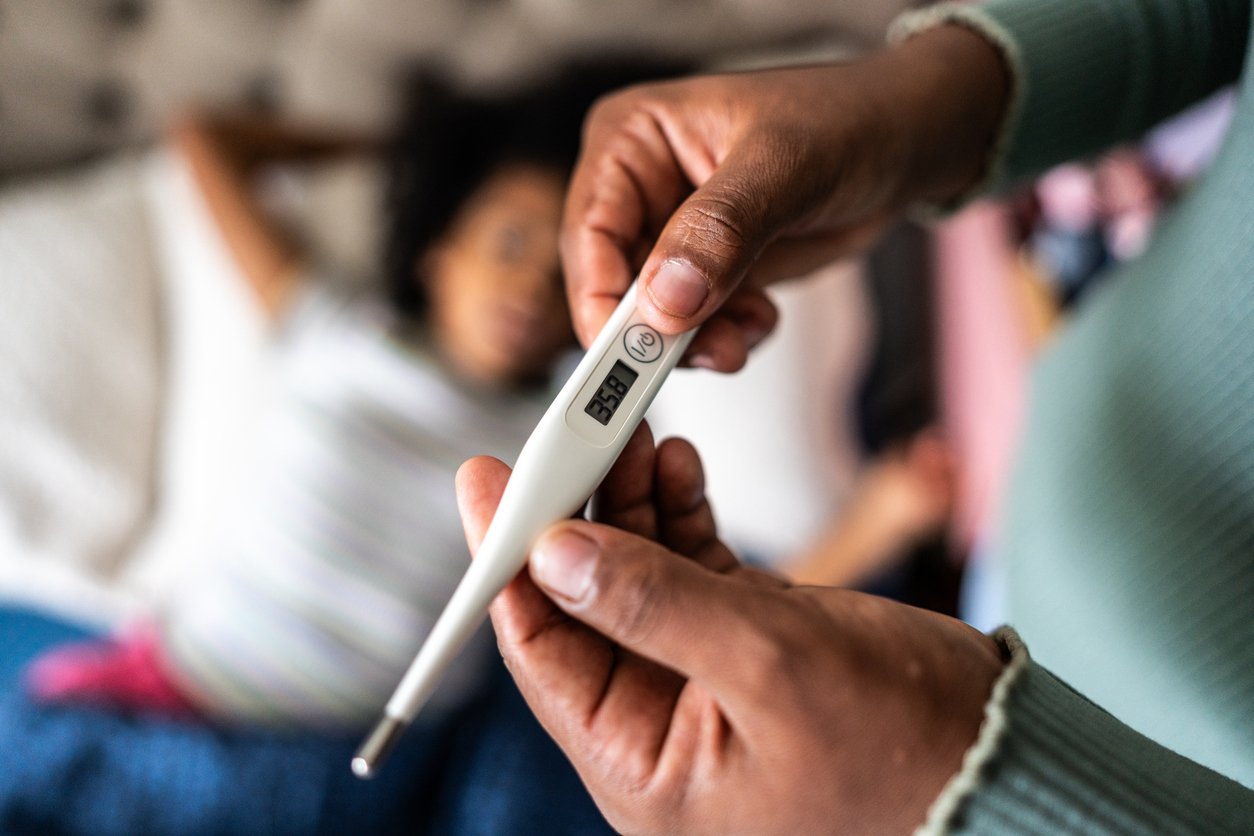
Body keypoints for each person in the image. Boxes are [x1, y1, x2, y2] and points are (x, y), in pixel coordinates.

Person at [455, 0, 1254, 831]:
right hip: (1024, 570)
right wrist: (923, 107)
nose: (525, 293)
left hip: (989, 664)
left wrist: (967, 784)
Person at [21, 66, 646, 732]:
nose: (531, 287)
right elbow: (203, 138)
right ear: (440, 250)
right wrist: (394, 150)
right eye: (511, 242)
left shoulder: (581, 426)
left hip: (392, 745)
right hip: (190, 689)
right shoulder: (338, 333)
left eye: (563, 274)